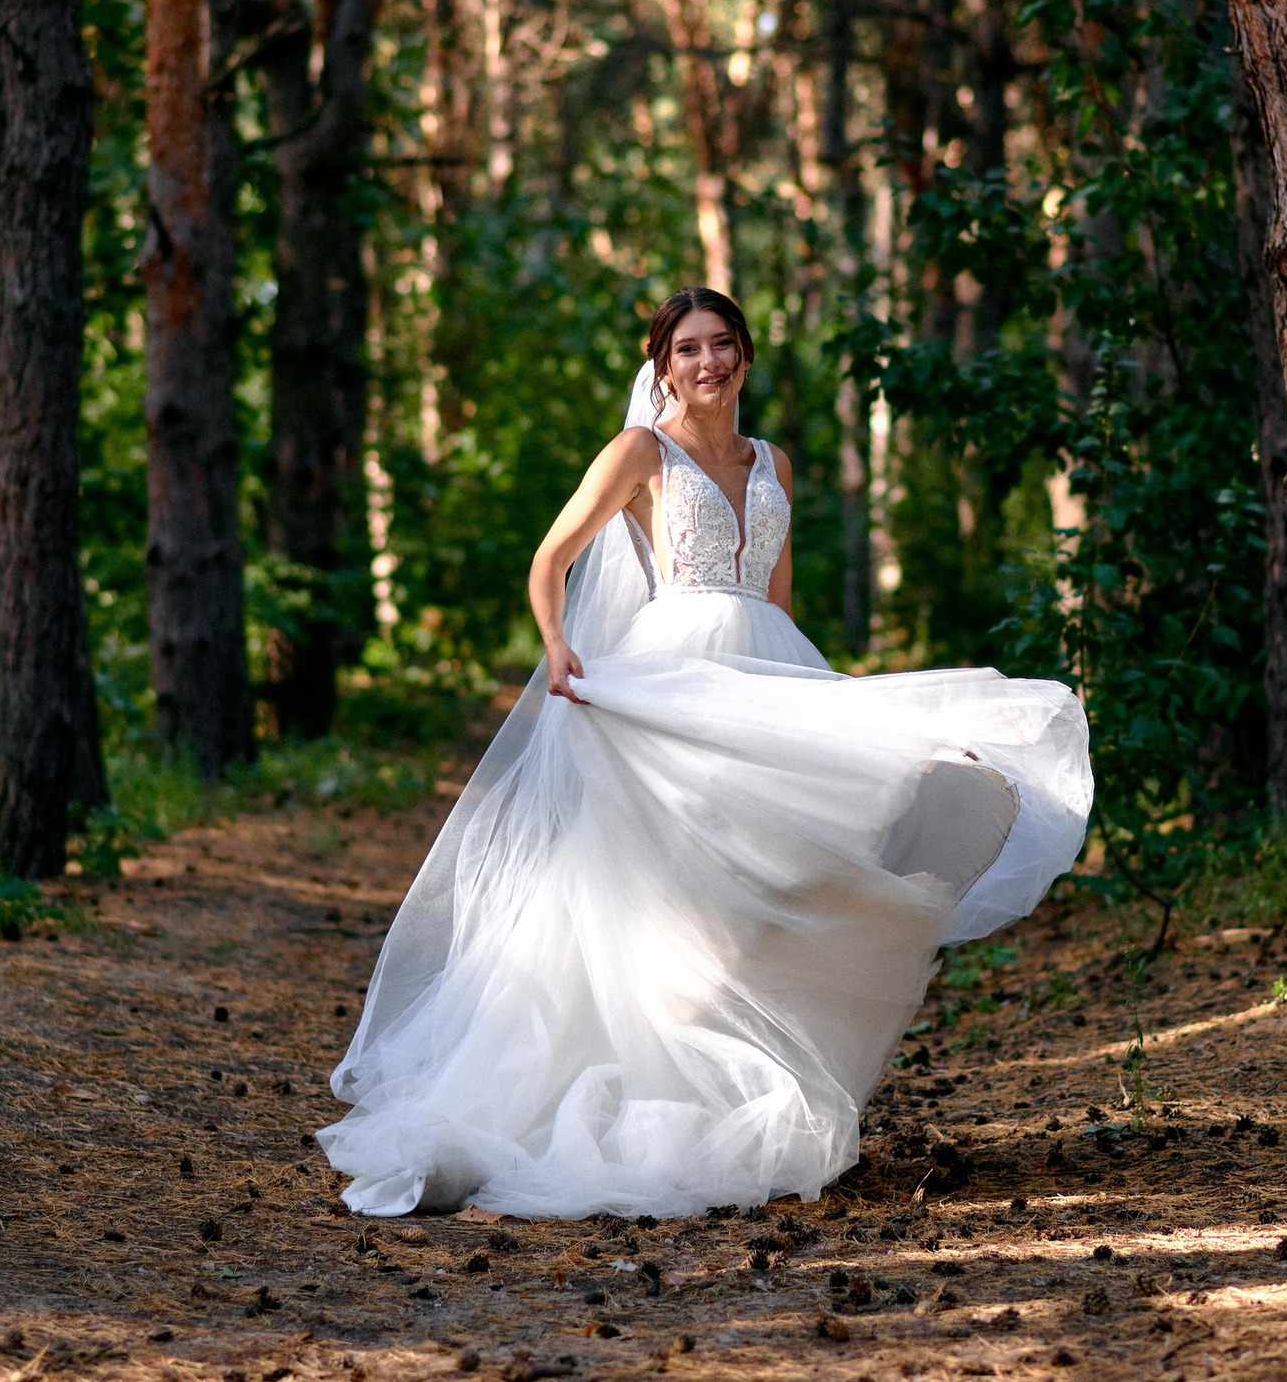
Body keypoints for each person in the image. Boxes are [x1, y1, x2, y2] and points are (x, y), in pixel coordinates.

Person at [318, 288, 1092, 1219]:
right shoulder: (641, 452)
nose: (708, 362)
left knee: (806, 864)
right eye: (688, 349)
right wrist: (558, 645)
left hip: (765, 671)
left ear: (746, 356)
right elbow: (551, 557)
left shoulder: (775, 463)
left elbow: (779, 599)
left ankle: (740, 1092)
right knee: (678, 898)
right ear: (663, 367)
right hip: (673, 678)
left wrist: (830, 712)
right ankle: (629, 1090)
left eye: (723, 344)